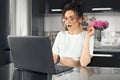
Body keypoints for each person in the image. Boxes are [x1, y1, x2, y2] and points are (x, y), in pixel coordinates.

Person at [52, 0, 95, 67]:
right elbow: (54, 57)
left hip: (78, 73)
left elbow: (84, 63)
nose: (68, 22)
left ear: (80, 19)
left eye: (71, 19)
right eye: (66, 18)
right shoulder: (61, 35)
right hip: (60, 73)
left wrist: (87, 37)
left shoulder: (88, 35)